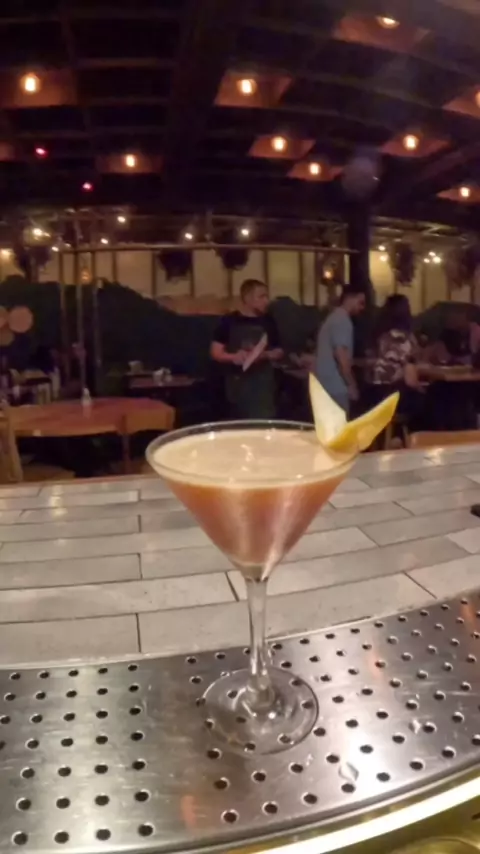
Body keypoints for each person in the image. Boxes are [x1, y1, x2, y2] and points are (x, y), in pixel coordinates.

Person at [210, 279, 283, 418]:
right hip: (236, 385)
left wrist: (264, 355)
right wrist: (234, 357)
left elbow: (279, 351)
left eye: (267, 296)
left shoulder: (269, 321)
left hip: (263, 387)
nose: (266, 301)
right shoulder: (228, 321)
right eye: (261, 297)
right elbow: (216, 352)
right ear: (247, 298)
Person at [314, 285, 366, 413]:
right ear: (350, 298)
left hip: (324, 386)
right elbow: (341, 356)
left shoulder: (332, 318)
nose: (362, 308)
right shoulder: (342, 321)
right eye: (361, 303)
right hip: (336, 387)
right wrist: (351, 384)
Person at [370, 294, 423, 409]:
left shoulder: (381, 337)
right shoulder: (406, 339)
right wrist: (422, 388)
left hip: (377, 393)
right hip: (396, 396)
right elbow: (410, 380)